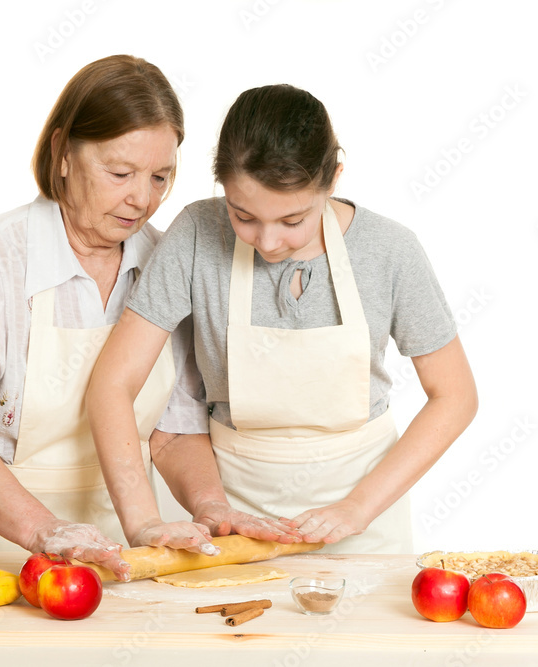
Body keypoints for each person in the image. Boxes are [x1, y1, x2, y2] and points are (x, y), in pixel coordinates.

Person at [87, 84, 478, 554]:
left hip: (366, 520)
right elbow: (113, 383)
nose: (268, 242)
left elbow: (455, 396)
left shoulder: (390, 251)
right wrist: (144, 522)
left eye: (293, 221)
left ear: (332, 178)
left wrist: (357, 508)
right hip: (234, 521)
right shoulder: (195, 234)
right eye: (243, 215)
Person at [0, 55, 218, 580]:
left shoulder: (167, 262)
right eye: (120, 172)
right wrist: (45, 531)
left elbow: (175, 431)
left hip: (123, 541)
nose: (142, 198)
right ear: (63, 153)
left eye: (161, 177)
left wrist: (211, 507)